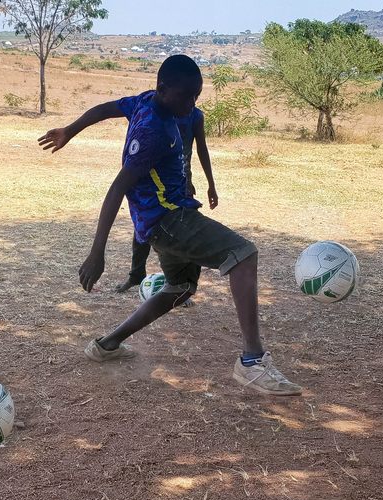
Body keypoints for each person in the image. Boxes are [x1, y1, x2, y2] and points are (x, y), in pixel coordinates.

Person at [38, 55, 301, 396]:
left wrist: (69, 130)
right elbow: (118, 188)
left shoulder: (146, 101)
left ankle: (107, 345)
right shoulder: (154, 132)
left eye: (197, 95)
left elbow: (105, 109)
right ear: (163, 89)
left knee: (180, 288)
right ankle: (251, 361)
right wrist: (96, 252)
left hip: (162, 220)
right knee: (243, 254)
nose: (192, 104)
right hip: (170, 220)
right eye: (186, 96)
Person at [115, 105, 219, 295]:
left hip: (181, 184)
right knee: (143, 228)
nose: (190, 100)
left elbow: (201, 148)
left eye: (194, 96)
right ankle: (136, 274)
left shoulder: (195, 116)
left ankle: (181, 285)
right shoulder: (157, 112)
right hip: (152, 183)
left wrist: (211, 184)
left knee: (183, 233)